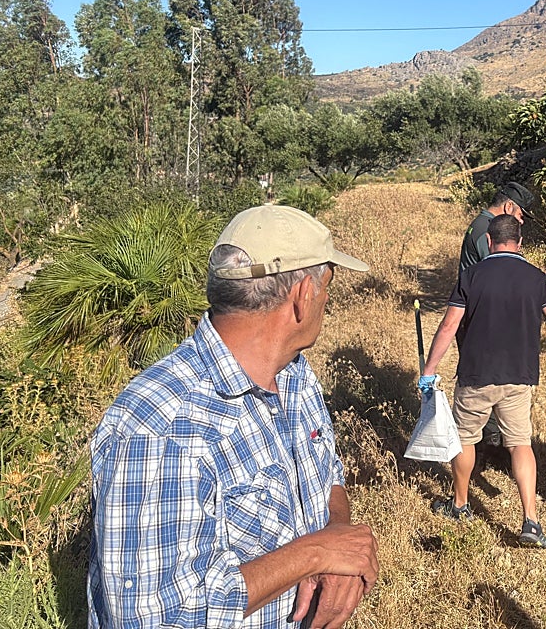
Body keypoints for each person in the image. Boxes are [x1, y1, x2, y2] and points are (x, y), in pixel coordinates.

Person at [88, 205, 379, 629]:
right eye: (327, 287)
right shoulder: (160, 428)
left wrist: (337, 543)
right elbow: (160, 616)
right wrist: (315, 553)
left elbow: (326, 470)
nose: (326, 301)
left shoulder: (295, 374)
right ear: (302, 296)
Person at [419, 213, 546, 548]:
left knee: (464, 439)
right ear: (520, 243)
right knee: (520, 444)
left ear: (489, 242)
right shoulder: (537, 279)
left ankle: (460, 505)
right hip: (519, 377)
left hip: (476, 375)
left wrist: (429, 370)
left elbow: (449, 326)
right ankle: (531, 522)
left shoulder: (471, 275)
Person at [457, 181, 535, 448]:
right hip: (481, 322)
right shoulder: (485, 231)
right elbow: (494, 272)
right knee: (488, 380)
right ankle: (488, 445)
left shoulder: (480, 225)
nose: (521, 221)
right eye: (521, 214)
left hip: (480, 316)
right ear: (509, 206)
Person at [458, 181, 535, 274]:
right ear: (509, 207)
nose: (521, 221)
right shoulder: (488, 229)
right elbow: (499, 271)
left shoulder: (483, 222)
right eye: (521, 216)